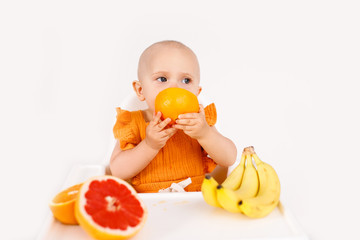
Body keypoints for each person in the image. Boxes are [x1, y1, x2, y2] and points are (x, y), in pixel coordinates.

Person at [110, 40, 237, 193]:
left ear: (197, 92)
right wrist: (149, 146)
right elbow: (117, 171)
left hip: (195, 202)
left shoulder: (198, 121)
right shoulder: (133, 123)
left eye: (186, 80)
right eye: (162, 79)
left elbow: (229, 158)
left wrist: (205, 134)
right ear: (140, 90)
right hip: (151, 204)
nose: (175, 88)